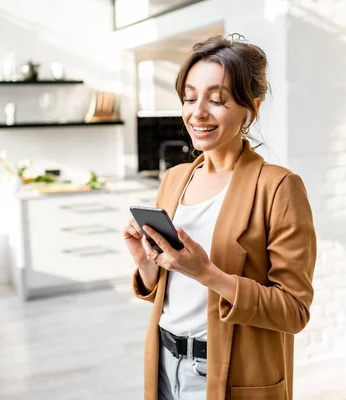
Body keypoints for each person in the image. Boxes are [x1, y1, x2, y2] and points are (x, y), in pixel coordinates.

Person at [122, 34, 317, 400]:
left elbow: (294, 311)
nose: (198, 112)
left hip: (229, 373)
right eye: (190, 97)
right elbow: (171, 291)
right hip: (164, 361)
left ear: (250, 109)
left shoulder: (279, 188)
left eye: (216, 100)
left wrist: (207, 273)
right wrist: (146, 265)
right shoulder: (174, 178)